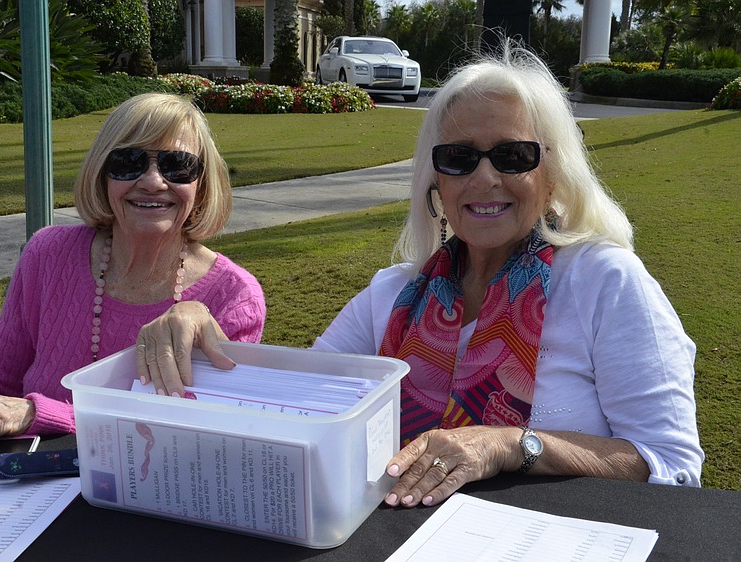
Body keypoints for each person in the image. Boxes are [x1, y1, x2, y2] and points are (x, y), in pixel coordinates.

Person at [134, 43, 704, 507]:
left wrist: (513, 445)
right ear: (436, 180)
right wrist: (194, 322)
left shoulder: (604, 280)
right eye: (458, 158)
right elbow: (300, 403)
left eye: (512, 156)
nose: (483, 180)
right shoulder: (392, 294)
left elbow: (672, 465)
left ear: (553, 174)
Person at [0, 93, 266, 462]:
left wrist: (34, 414)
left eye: (177, 165)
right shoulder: (48, 254)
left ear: (202, 184)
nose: (152, 181)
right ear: (101, 174)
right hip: (23, 493)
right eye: (128, 162)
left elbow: (189, 435)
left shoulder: (233, 296)